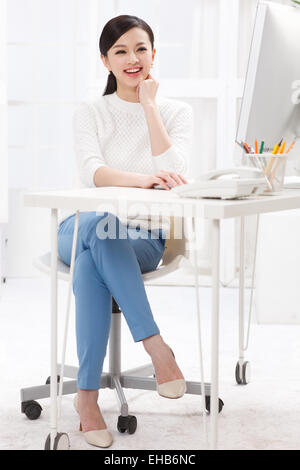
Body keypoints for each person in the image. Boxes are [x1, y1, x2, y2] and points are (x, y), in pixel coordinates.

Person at [57, 14, 194, 448]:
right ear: (105, 61)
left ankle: (86, 398)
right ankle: (156, 348)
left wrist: (149, 105)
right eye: (120, 51)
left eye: (140, 49)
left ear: (154, 54)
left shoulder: (176, 112)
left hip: (143, 238)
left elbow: (175, 172)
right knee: (100, 227)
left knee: (93, 262)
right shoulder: (91, 112)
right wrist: (143, 180)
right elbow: (91, 172)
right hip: (79, 227)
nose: (132, 59)